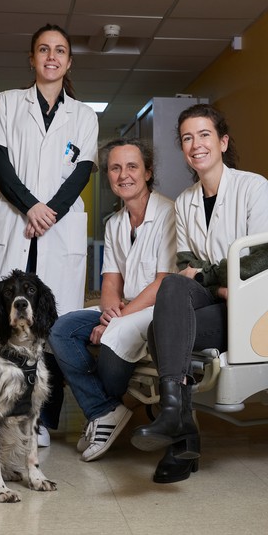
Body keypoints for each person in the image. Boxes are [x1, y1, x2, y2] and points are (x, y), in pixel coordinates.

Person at [130, 104, 268, 483]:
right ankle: (177, 421)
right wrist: (218, 282)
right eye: (186, 138)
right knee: (173, 286)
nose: (195, 144)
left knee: (158, 332)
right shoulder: (185, 202)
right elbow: (185, 268)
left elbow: (260, 264)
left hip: (252, 310)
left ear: (223, 141)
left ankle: (179, 436)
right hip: (218, 303)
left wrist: (209, 276)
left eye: (204, 135)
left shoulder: (254, 188)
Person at [0, 23, 99, 446]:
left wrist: (48, 213)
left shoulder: (83, 116)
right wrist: (31, 207)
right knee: (0, 320)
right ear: (31, 59)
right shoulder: (7, 103)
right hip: (14, 223)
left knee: (52, 327)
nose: (51, 56)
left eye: (60, 50)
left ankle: (41, 421)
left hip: (56, 231)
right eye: (43, 49)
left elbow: (80, 173)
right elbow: (1, 165)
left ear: (68, 61)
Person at [48, 139, 176, 462]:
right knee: (62, 330)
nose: (123, 175)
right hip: (124, 311)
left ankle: (103, 411)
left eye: (132, 167)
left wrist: (114, 323)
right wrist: (109, 315)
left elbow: (163, 283)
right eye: (115, 168)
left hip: (155, 312)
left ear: (148, 172)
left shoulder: (169, 214)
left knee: (112, 344)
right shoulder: (114, 223)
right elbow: (110, 283)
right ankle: (105, 411)